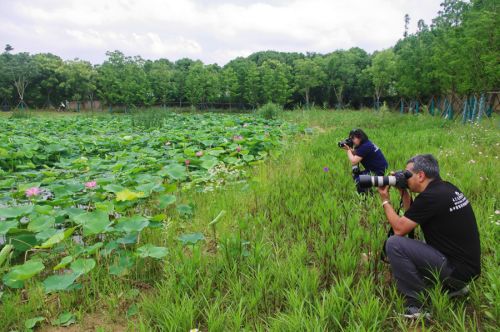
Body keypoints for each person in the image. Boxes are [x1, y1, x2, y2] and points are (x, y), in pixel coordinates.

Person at [377, 154, 480, 319]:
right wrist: (404, 193)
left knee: (394, 244)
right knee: (418, 243)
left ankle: (417, 305)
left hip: (457, 271)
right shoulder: (446, 188)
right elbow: (412, 216)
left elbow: (399, 229)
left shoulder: (431, 197)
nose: (405, 177)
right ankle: (454, 287)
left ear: (420, 175)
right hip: (467, 268)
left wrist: (385, 200)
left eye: (407, 174)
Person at [342, 129, 388, 194]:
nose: (352, 141)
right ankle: (369, 191)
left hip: (378, 172)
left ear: (360, 138)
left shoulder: (365, 147)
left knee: (360, 180)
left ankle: (366, 197)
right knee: (356, 175)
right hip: (374, 169)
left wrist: (348, 150)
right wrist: (350, 149)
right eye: (350, 138)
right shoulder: (366, 143)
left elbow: (353, 161)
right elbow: (358, 153)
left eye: (353, 138)